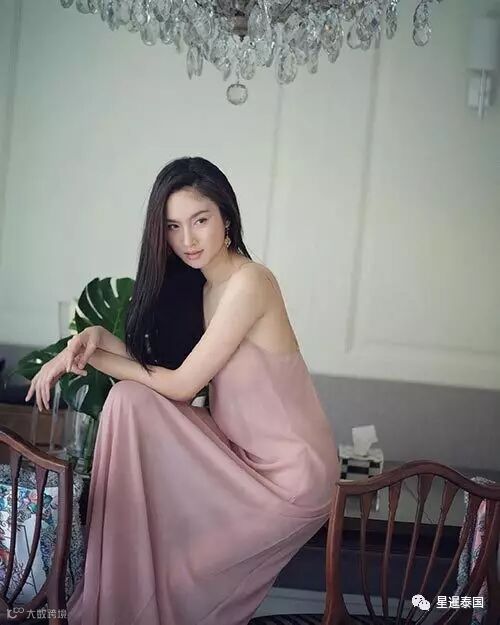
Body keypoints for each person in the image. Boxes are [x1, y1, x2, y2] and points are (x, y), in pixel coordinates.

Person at [26, 156, 340, 625]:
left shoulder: (252, 283)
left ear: (227, 219)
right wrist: (94, 336)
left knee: (179, 579)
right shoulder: (204, 288)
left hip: (293, 473)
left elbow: (183, 385)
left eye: (200, 220)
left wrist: (92, 358)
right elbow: (163, 375)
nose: (187, 240)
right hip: (241, 457)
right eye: (173, 227)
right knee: (130, 400)